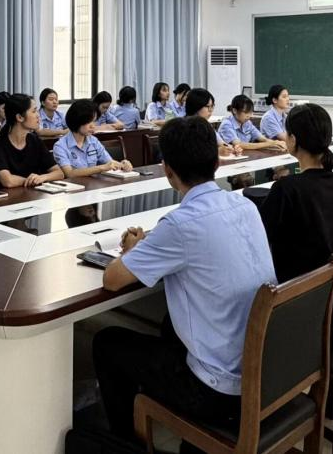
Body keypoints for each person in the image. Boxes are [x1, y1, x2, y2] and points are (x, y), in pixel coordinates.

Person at [93, 116, 276, 443]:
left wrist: (134, 250)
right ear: (217, 162)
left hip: (216, 392)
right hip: (263, 370)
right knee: (168, 324)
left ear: (167, 170)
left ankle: (125, 444)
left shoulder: (180, 224)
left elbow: (113, 279)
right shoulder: (245, 205)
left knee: (107, 343)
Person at [259, 103, 333, 283]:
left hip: (297, 290)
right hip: (332, 285)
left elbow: (259, 238)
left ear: (293, 139)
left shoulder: (286, 189)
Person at [0, 93, 64, 188]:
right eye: (34, 111)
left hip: (31, 194)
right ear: (19, 117)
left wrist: (42, 178)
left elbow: (59, 173)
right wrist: (33, 181)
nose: (38, 115)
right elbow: (8, 181)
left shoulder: (35, 141)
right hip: (7, 197)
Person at [53, 99, 134, 178]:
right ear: (77, 121)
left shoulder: (93, 141)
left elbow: (109, 162)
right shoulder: (60, 146)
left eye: (94, 121)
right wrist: (101, 168)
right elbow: (70, 174)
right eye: (89, 121)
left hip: (93, 184)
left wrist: (122, 164)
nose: (93, 126)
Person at [184, 87, 238, 157]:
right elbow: (192, 152)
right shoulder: (184, 127)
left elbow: (222, 144)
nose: (211, 110)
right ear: (196, 106)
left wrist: (232, 149)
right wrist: (217, 151)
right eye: (207, 106)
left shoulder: (207, 125)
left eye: (212, 106)